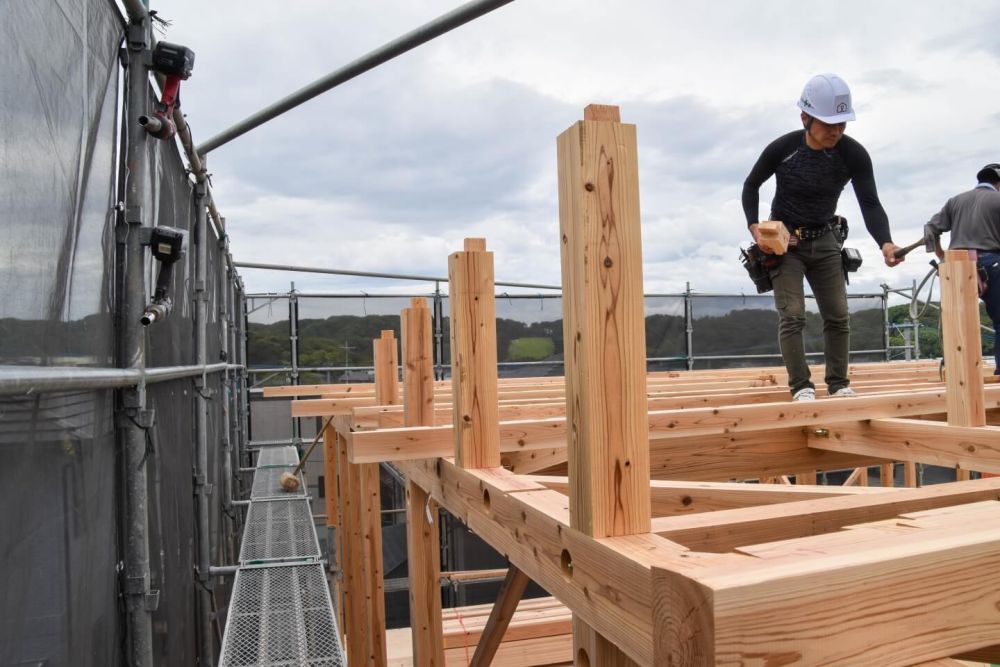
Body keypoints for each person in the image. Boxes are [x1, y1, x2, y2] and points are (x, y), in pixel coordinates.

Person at [742, 73, 902, 401]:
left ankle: (839, 383)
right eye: (829, 123)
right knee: (793, 315)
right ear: (806, 117)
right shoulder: (783, 149)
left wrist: (885, 241)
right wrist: (754, 226)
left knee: (838, 315)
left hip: (826, 238)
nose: (836, 131)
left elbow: (870, 202)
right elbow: (750, 185)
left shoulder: (853, 154)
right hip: (785, 244)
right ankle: (801, 386)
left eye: (842, 124)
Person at [925, 163, 1000, 372]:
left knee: (956, 322)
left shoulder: (956, 201)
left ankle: (956, 370)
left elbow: (930, 228)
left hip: (956, 266)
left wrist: (941, 255)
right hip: (991, 263)